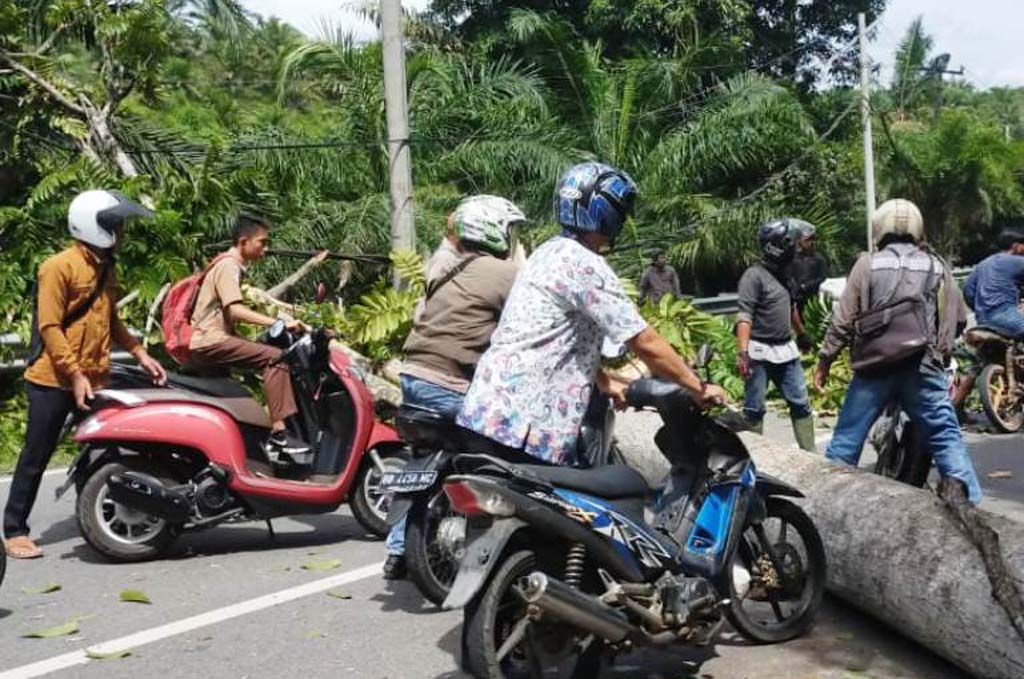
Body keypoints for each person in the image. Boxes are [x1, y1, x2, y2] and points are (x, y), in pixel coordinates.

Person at [457, 162, 728, 466]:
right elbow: (644, 340)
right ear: (607, 213)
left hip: (485, 413)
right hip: (527, 427)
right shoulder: (586, 265)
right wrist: (698, 387)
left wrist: (603, 380)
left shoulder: (549, 251)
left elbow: (556, 336)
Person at [3, 190, 167, 560]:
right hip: (53, 379)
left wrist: (141, 353)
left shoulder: (107, 266)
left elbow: (111, 319)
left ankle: (96, 511)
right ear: (94, 226)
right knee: (36, 453)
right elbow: (49, 326)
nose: (121, 231)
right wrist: (74, 373)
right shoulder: (57, 267)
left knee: (106, 446)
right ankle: (14, 530)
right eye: (115, 225)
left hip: (94, 376)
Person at [383, 195, 525, 580]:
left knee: (424, 459)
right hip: (449, 387)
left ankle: (398, 549)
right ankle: (506, 543)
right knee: (511, 456)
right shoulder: (504, 274)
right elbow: (534, 320)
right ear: (494, 230)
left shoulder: (445, 267)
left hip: (413, 379)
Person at [814, 199, 982, 505]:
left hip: (874, 369)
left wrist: (825, 359)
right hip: (923, 368)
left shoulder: (867, 264)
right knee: (946, 439)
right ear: (917, 228)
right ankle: (973, 508)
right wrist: (940, 356)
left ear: (879, 228)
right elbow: (956, 319)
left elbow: (844, 319)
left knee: (846, 441)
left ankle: (825, 506)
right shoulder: (936, 265)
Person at [188, 214, 309, 461]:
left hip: (209, 341)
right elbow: (236, 310)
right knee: (275, 359)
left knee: (234, 394)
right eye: (262, 242)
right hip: (211, 340)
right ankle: (280, 434)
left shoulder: (229, 266)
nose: (266, 248)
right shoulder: (228, 265)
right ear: (244, 242)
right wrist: (280, 322)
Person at [735, 219, 816, 452]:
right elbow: (744, 316)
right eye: (792, 244)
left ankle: (811, 456)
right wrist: (743, 353)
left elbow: (790, 307)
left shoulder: (785, 274)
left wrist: (801, 334)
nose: (797, 248)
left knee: (801, 403)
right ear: (780, 246)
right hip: (758, 351)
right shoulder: (754, 276)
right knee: (754, 409)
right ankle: (754, 457)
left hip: (785, 349)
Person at [963, 229, 1024, 338]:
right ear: (1016, 246)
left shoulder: (983, 264)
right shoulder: (1017, 261)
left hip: (982, 320)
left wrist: (979, 308)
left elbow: (968, 291)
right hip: (1005, 316)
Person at [787, 220, 829, 315]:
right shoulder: (793, 257)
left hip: (811, 298)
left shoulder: (818, 258)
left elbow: (822, 277)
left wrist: (806, 286)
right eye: (806, 240)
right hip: (794, 296)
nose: (808, 242)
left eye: (810, 240)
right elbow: (789, 274)